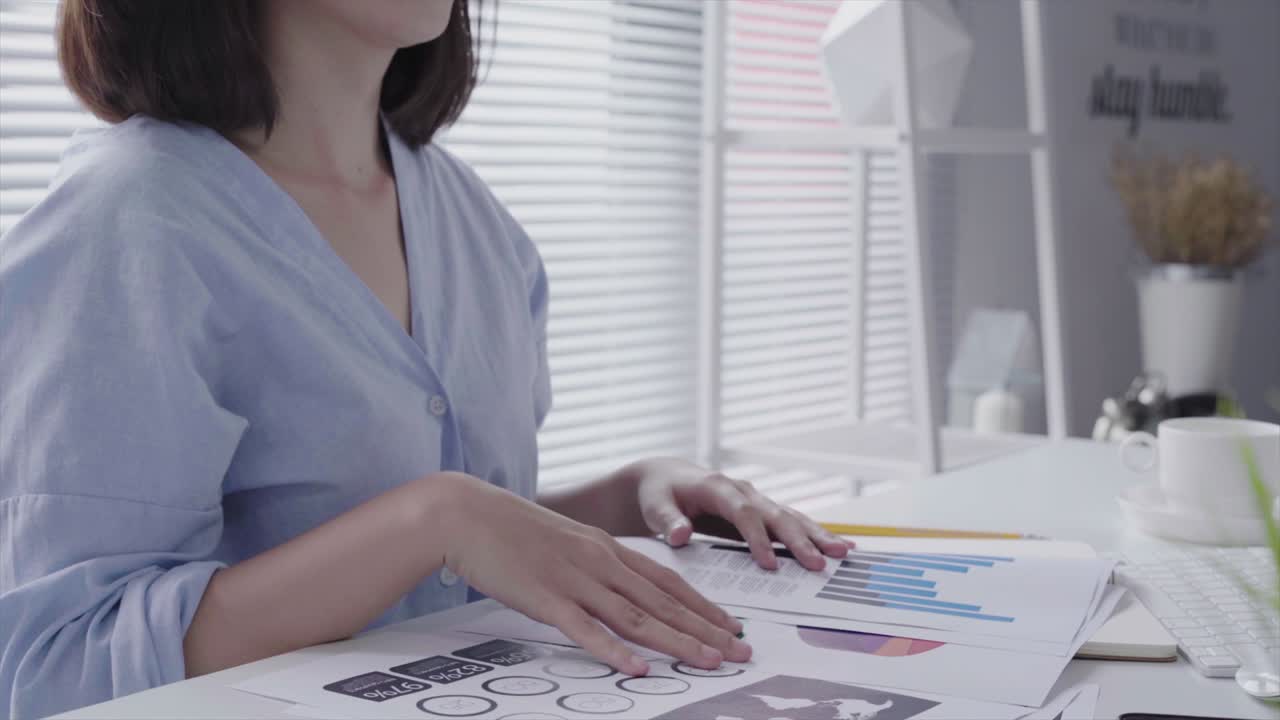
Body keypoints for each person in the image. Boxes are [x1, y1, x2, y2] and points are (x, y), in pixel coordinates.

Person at [0, 1, 851, 717]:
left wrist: (623, 500)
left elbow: (455, 551)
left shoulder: (470, 217)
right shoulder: (127, 224)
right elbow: (54, 664)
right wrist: (435, 519)